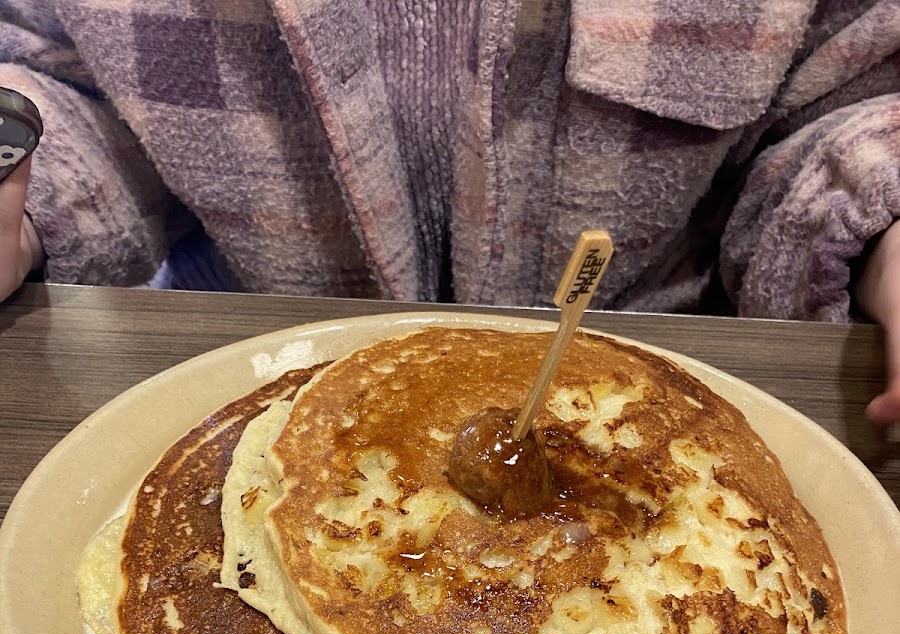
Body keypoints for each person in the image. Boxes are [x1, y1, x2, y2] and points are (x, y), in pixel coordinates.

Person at [1, 1, 899, 421]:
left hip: (661, 371)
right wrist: (24, 181)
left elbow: (844, 102)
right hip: (239, 356)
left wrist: (888, 217)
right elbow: (55, 79)